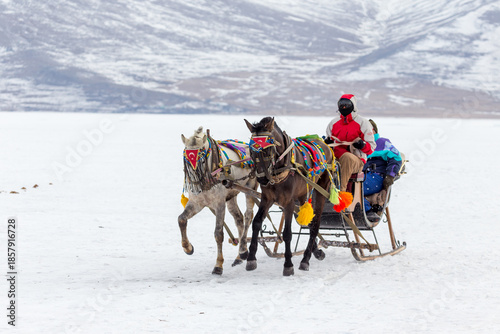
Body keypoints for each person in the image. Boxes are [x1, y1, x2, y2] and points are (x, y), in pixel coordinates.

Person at [326, 94, 376, 195]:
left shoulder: (363, 123)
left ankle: (341, 193)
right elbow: (329, 140)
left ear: (353, 106)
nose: (344, 107)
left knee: (347, 157)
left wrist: (362, 145)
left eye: (346, 104)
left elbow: (371, 148)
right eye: (341, 105)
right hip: (335, 159)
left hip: (357, 160)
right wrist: (327, 144)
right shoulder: (333, 123)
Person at [363, 119, 402, 222]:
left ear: (373, 131)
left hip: (375, 176)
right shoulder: (359, 145)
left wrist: (390, 176)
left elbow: (396, 158)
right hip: (360, 176)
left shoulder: (381, 143)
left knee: (352, 186)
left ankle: (367, 210)